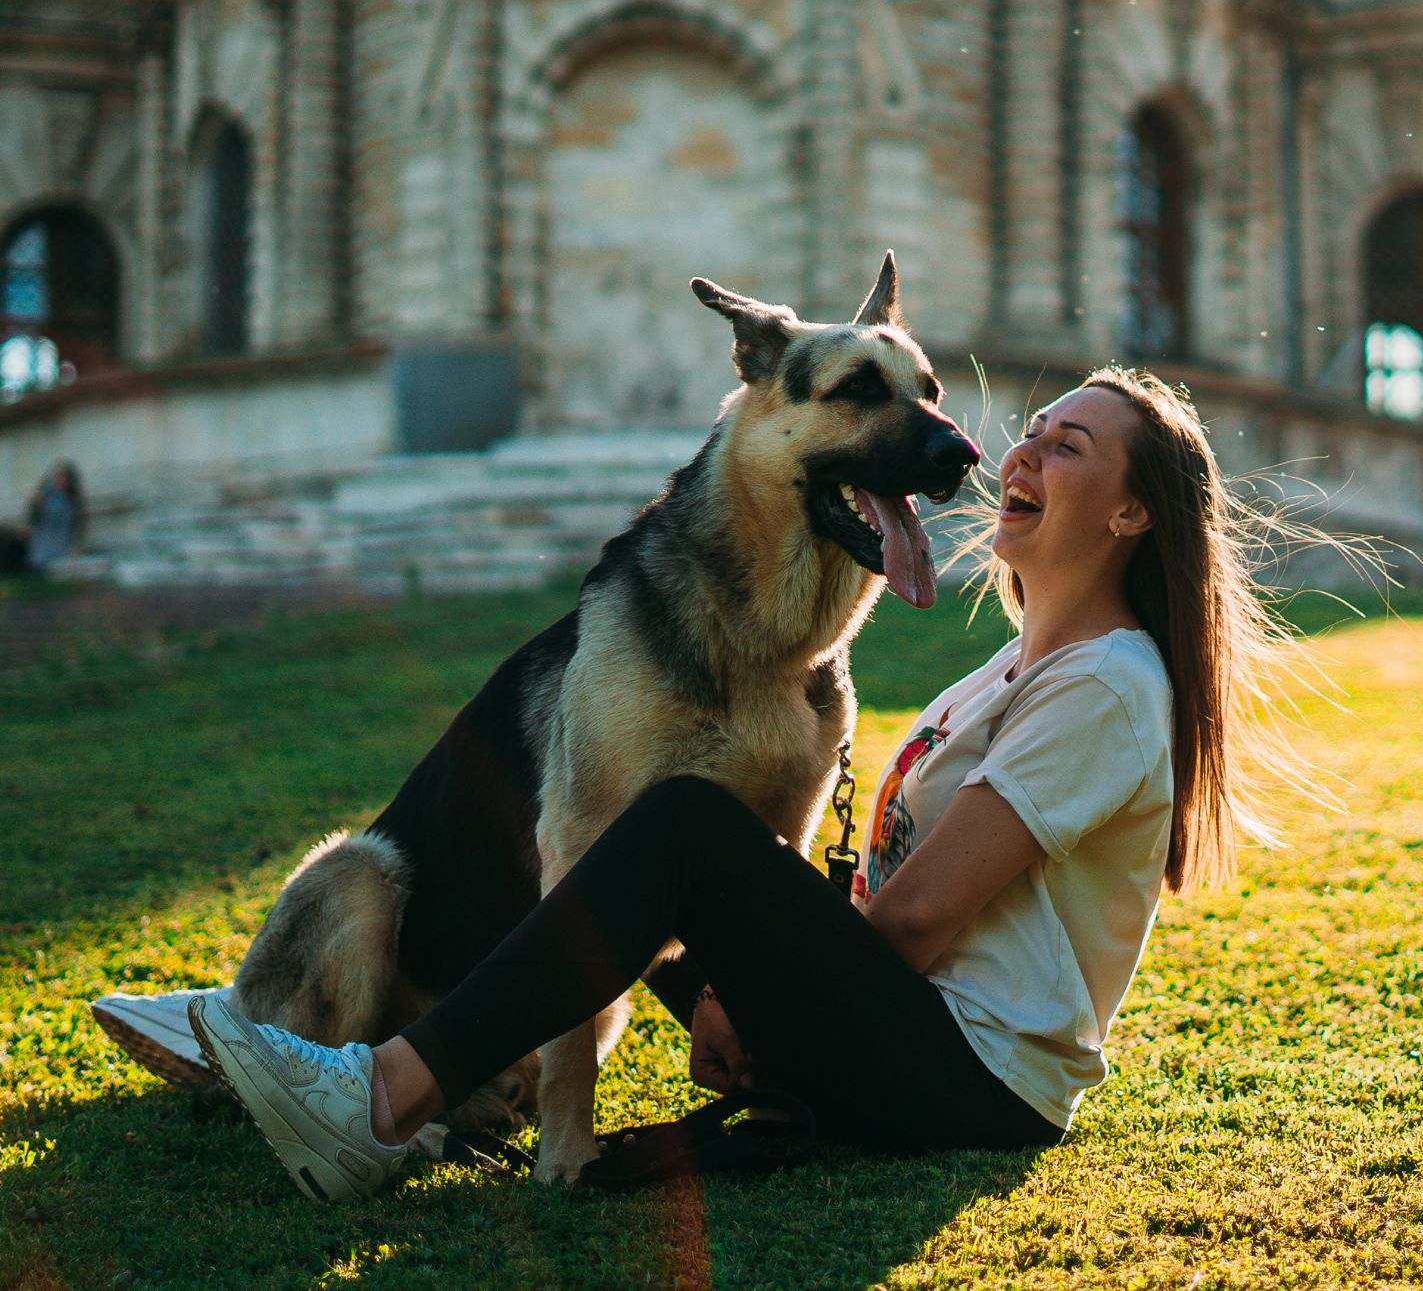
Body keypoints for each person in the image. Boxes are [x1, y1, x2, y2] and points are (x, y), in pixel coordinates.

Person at [189, 367, 1308, 1202]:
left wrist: (747, 996)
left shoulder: (1106, 682)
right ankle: (368, 1055)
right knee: (652, 843)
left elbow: (917, 917)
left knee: (683, 825)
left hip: (974, 1074)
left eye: (1068, 447)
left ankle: (383, 1096)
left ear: (1130, 512)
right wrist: (728, 984)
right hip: (904, 1021)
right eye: (1034, 431)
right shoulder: (1017, 667)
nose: (1019, 455)